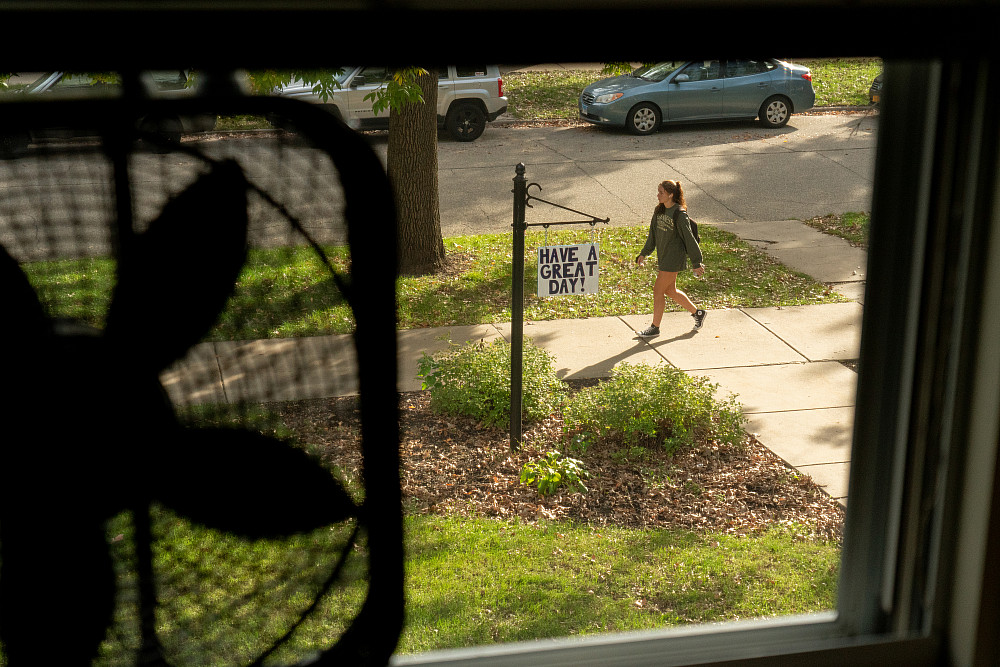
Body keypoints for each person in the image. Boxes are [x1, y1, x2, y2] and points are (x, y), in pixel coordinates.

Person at [634, 180, 706, 337]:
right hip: (663, 256)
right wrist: (644, 253)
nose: (658, 195)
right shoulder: (659, 210)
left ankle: (655, 327)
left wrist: (696, 262)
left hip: (674, 258)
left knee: (658, 290)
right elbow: (652, 235)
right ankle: (697, 313)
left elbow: (689, 239)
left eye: (661, 192)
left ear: (671, 194)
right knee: (670, 290)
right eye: (658, 191)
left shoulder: (679, 214)